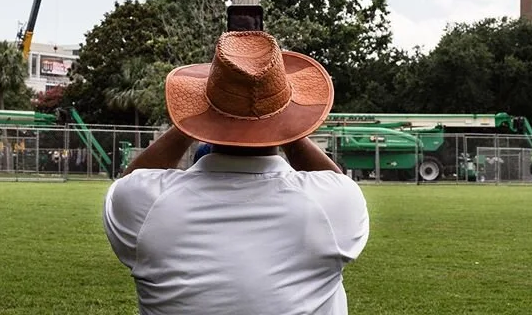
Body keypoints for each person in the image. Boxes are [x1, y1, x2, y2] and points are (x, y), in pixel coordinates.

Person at [103, 30, 370, 315]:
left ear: (204, 114)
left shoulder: (144, 203)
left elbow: (131, 181)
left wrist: (190, 119)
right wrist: (286, 123)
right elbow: (337, 182)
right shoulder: (333, 203)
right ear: (288, 119)